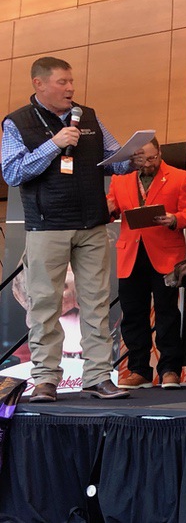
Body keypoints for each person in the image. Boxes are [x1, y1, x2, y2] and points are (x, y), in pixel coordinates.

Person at [1, 56, 144, 402]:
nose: (71, 88)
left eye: (72, 82)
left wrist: (131, 158)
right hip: (47, 227)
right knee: (46, 305)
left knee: (95, 304)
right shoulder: (17, 123)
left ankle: (97, 376)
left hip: (92, 224)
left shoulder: (89, 116)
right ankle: (46, 379)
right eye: (62, 82)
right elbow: (12, 173)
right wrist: (54, 143)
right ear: (39, 84)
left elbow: (112, 157)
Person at [107, 137, 186, 390]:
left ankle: (170, 369)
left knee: (167, 314)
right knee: (133, 315)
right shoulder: (119, 178)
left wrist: (174, 218)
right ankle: (138, 370)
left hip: (166, 256)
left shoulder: (181, 177)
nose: (147, 164)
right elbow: (112, 209)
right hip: (130, 254)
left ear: (160, 152)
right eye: (141, 159)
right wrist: (107, 208)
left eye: (151, 158)